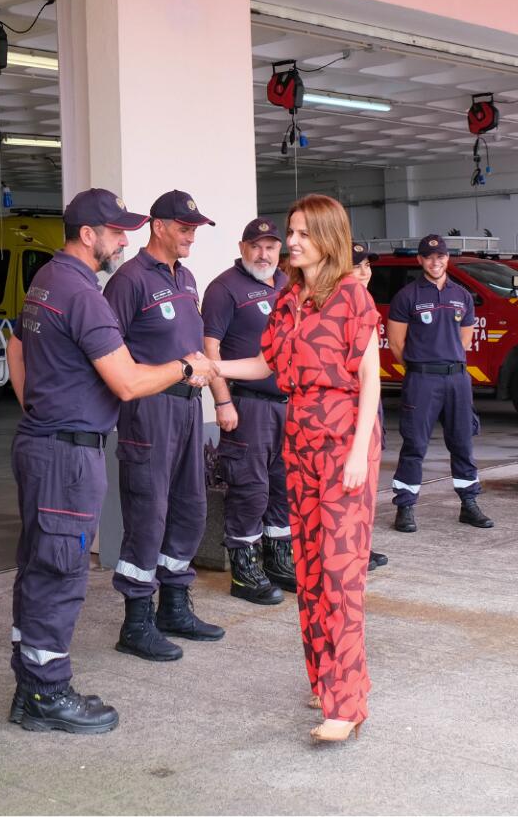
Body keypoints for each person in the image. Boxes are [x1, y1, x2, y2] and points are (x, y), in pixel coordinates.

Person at [5, 188, 215, 733]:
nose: (124, 239)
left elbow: (17, 351)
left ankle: (31, 687)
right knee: (60, 573)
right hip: (67, 453)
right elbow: (125, 381)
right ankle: (47, 694)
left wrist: (38, 406)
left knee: (39, 568)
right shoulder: (85, 293)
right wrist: (185, 369)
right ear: (88, 234)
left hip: (47, 441)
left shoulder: (47, 280)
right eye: (116, 231)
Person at [215, 194, 381, 743]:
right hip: (301, 435)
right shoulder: (290, 299)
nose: (292, 241)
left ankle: (348, 703)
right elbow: (267, 363)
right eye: (292, 231)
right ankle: (325, 679)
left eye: (304, 233)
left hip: (344, 441)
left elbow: (371, 379)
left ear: (330, 237)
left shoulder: (353, 296)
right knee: (309, 569)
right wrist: (212, 367)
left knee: (339, 572)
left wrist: (358, 452)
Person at [103, 189, 226, 661]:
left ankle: (174, 604)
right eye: (182, 226)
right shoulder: (130, 280)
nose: (189, 234)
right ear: (157, 226)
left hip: (187, 406)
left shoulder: (187, 277)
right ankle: (136, 622)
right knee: (148, 512)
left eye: (194, 227)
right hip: (148, 409)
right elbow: (108, 352)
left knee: (190, 507)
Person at [201, 217, 291, 605]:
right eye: (256, 246)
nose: (263, 253)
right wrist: (222, 401)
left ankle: (278, 560)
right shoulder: (224, 289)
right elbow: (210, 351)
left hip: (287, 405)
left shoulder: (286, 283)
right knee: (250, 489)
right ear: (242, 248)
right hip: (247, 405)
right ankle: (245, 570)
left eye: (270, 247)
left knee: (282, 486)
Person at [386, 234, 492, 534]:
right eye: (429, 257)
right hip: (421, 379)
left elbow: (465, 340)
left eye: (441, 256)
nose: (435, 261)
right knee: (415, 444)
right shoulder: (407, 296)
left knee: (462, 442)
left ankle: (469, 504)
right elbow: (396, 343)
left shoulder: (462, 295)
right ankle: (405, 507)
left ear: (448, 259)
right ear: (420, 260)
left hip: (457, 379)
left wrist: (446, 364)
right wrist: (422, 366)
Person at [350, 243, 389, 572]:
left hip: (369, 403)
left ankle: (363, 544)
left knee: (367, 482)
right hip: (345, 410)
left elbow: (372, 375)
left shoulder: (366, 303)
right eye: (357, 266)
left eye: (367, 266)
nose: (365, 272)